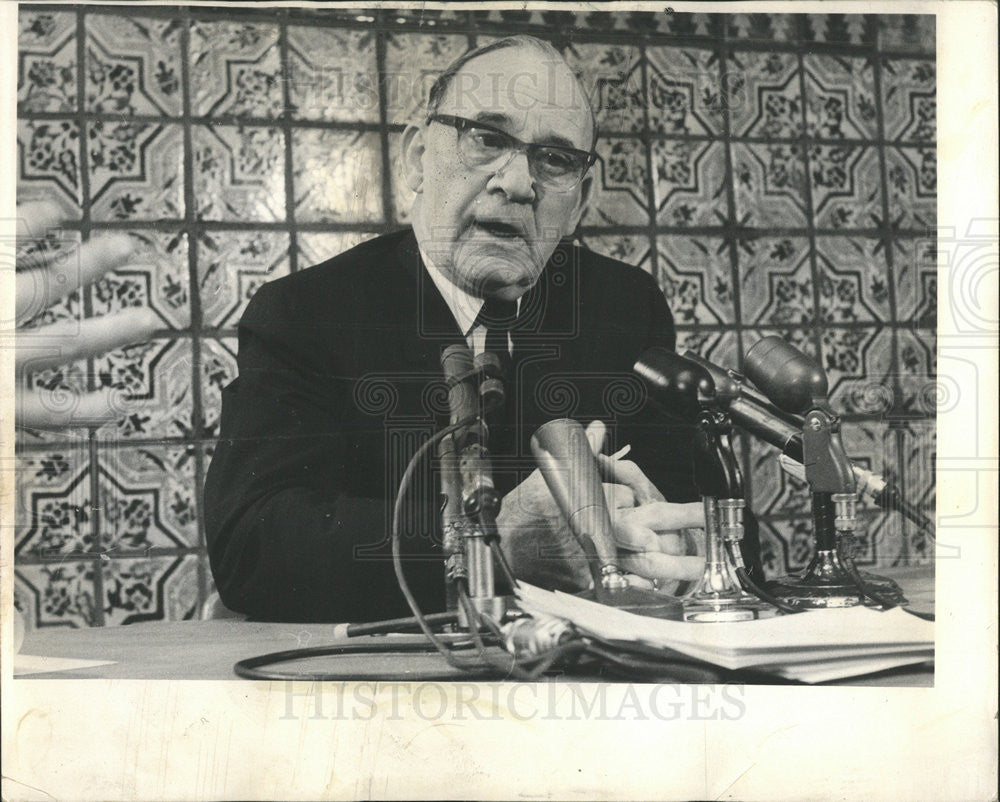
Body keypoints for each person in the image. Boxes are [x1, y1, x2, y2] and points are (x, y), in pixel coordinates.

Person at [204, 35, 762, 623]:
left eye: (555, 160)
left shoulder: (624, 307)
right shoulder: (306, 312)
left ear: (577, 203)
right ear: (418, 158)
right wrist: (488, 541)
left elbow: (717, 522)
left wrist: (674, 547)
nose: (518, 182)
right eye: (488, 138)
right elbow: (252, 545)